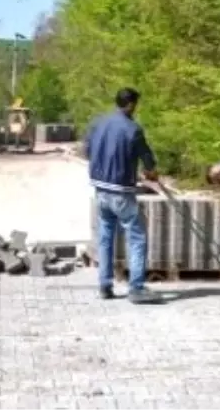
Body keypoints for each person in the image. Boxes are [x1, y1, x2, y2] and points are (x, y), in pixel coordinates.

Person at [83, 87, 161, 304]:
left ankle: (105, 286)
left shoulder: (98, 123)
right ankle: (136, 288)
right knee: (136, 237)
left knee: (105, 237)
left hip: (100, 189)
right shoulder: (133, 129)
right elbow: (147, 159)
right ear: (131, 104)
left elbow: (87, 150)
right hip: (121, 191)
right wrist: (152, 173)